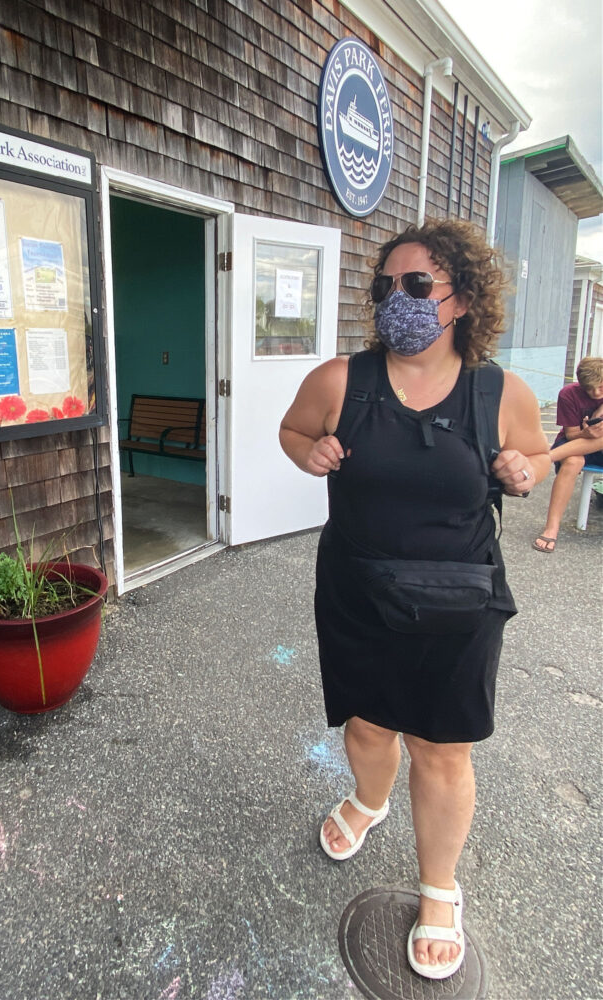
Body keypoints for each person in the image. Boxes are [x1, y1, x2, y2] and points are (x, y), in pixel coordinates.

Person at [279, 219, 550, 980]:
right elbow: (292, 431)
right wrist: (311, 452)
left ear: (462, 297)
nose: (397, 296)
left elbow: (534, 452)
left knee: (441, 747)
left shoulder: (499, 391)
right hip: (358, 591)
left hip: (458, 601)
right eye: (386, 284)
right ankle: (369, 802)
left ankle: (439, 889)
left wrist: (523, 469)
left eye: (418, 283)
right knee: (368, 724)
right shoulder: (340, 380)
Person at [533, 356, 603, 553]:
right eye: (589, 389)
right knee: (572, 462)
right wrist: (586, 433)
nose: (596, 393)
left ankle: (545, 458)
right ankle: (551, 528)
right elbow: (571, 434)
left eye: (600, 387)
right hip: (573, 443)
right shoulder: (568, 394)